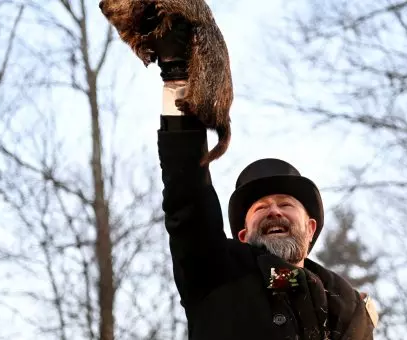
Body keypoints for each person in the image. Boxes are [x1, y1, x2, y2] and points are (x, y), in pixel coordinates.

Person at [151, 20, 377, 340]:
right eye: (260, 208)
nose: (274, 210)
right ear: (243, 234)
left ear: (310, 228)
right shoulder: (214, 272)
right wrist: (177, 76)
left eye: (285, 203)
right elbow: (187, 190)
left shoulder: (348, 308)